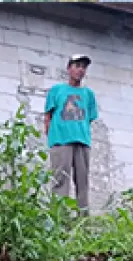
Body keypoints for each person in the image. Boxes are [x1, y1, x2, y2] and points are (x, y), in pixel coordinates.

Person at [44, 54, 98, 211]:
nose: (80, 70)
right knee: (60, 179)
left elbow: (89, 118)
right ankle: (59, 216)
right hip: (61, 140)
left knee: (82, 182)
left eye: (83, 67)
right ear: (69, 68)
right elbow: (48, 116)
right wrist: (52, 138)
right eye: (77, 66)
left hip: (82, 140)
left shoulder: (88, 94)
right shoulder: (57, 90)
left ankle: (83, 218)